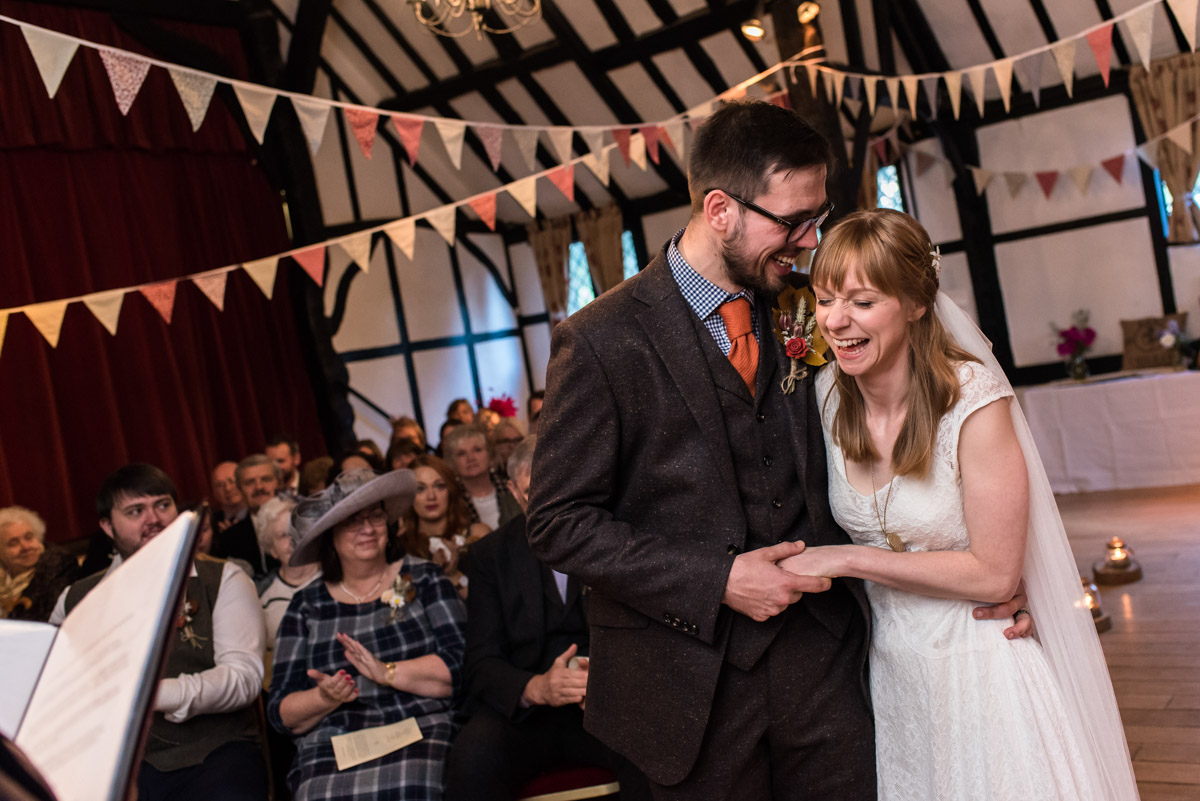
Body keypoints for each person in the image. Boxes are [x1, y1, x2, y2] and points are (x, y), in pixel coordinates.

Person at [526, 101, 1026, 800]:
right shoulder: (602, 338)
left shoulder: (810, 307)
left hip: (829, 666)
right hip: (684, 686)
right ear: (721, 208)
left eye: (816, 217)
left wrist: (984, 571)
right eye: (793, 221)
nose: (809, 239)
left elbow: (910, 432)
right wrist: (717, 579)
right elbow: (557, 520)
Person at [778, 209, 1138, 800]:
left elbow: (996, 572)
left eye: (863, 303)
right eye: (823, 299)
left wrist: (847, 559)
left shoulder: (973, 400)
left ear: (917, 303)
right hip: (892, 680)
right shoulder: (822, 396)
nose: (836, 322)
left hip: (983, 669)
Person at [444, 437, 652, 801]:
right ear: (511, 491)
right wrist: (537, 688)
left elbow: (645, 634)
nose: (546, 506)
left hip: (610, 701)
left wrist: (606, 682)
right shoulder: (489, 556)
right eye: (530, 494)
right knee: (472, 756)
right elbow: (480, 661)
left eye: (555, 489)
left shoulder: (612, 537)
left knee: (654, 747)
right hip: (528, 712)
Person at [50, 463, 267, 801]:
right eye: (135, 511)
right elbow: (54, 685)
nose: (153, 518)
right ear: (107, 526)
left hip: (212, 755)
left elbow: (243, 678)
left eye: (163, 505)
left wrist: (152, 694)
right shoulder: (76, 599)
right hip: (114, 766)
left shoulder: (223, 579)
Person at [267, 468, 466, 801]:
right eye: (353, 522)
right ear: (331, 534)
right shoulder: (307, 605)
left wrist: (386, 672)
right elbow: (280, 712)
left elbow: (460, 667)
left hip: (419, 729)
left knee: (414, 788)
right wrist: (324, 698)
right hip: (336, 742)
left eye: (375, 517)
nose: (368, 530)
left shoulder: (422, 579)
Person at [254, 496, 321, 686]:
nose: (293, 540)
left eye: (297, 531)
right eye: (283, 536)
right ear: (271, 549)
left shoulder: (337, 577)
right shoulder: (262, 598)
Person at [401, 455, 489, 596]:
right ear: (408, 495)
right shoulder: (400, 546)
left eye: (439, 486)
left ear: (451, 490)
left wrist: (454, 575)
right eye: (420, 489)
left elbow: (492, 597)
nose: (431, 496)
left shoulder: (477, 535)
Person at [212, 455, 284, 578]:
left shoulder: (299, 520)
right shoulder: (230, 538)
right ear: (240, 488)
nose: (259, 487)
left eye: (265, 479)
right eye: (250, 482)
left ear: (278, 482)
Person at [0, 506, 77, 621]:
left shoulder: (58, 566)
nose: (25, 547)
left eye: (29, 537)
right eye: (13, 543)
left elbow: (46, 619)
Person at [443, 424, 521, 530]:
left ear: (490, 454)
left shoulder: (512, 489)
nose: (470, 458)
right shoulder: (450, 499)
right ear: (452, 461)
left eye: (477, 450)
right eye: (461, 453)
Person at [210, 461, 248, 532]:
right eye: (220, 485)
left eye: (232, 481)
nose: (228, 488)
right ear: (214, 492)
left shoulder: (260, 515)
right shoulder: (211, 525)